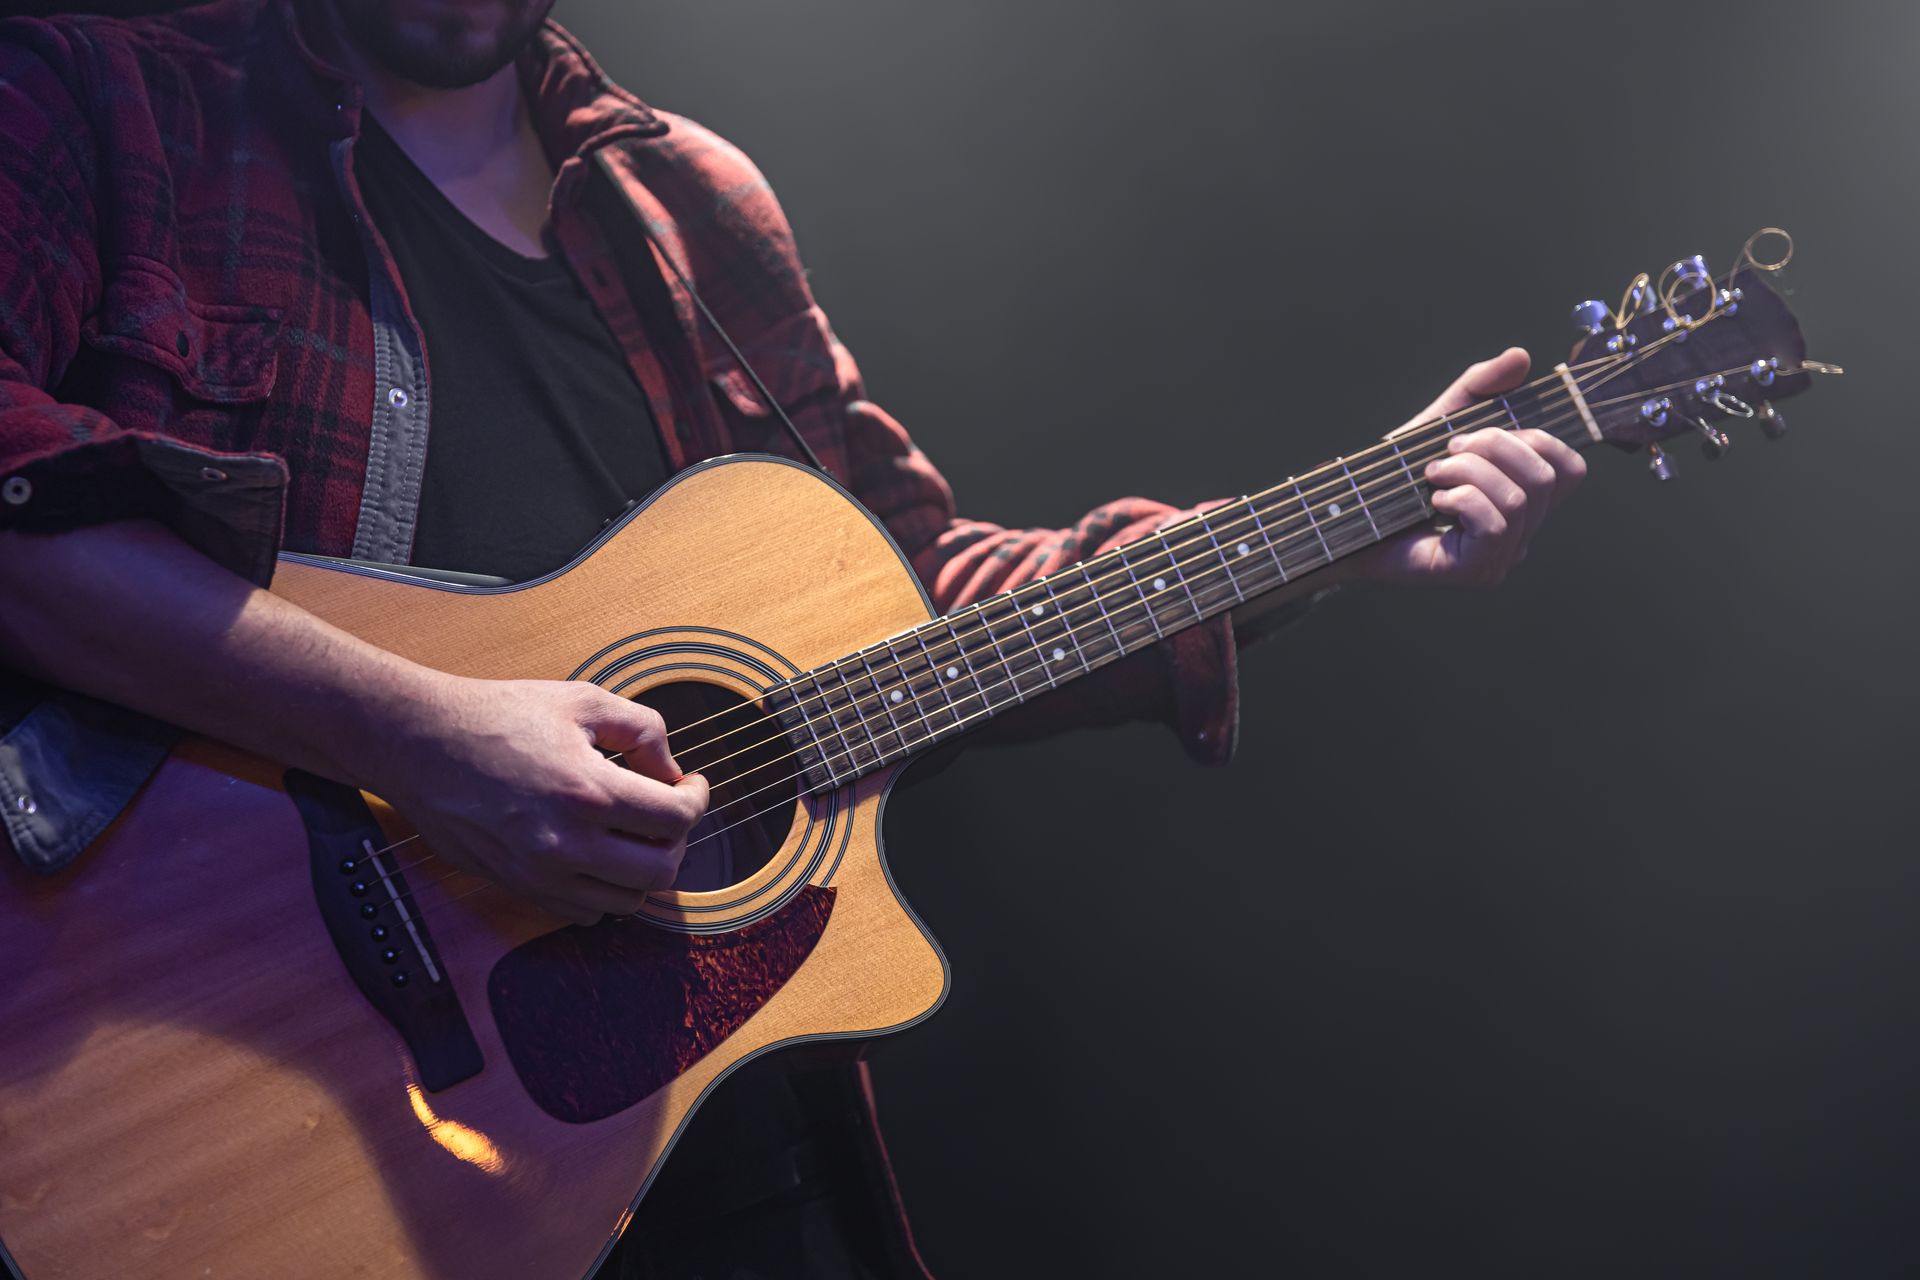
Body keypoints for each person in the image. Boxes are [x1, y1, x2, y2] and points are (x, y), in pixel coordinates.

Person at [0, 0, 1586, 1274]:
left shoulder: (687, 200)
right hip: (219, 1099)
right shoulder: (102, 98)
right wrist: (416, 731)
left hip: (697, 1143)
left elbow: (913, 593)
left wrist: (1332, 532)